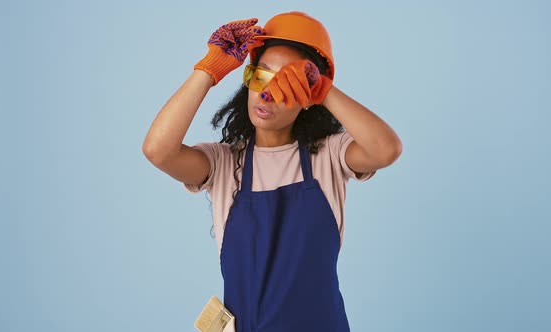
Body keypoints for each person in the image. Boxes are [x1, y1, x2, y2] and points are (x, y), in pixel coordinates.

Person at [143, 11, 403, 332]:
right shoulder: (225, 164)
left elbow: (386, 149)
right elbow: (158, 149)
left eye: (285, 84)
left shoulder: (329, 156)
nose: (266, 94)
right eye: (260, 76)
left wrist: (325, 90)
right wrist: (208, 70)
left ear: (308, 97)